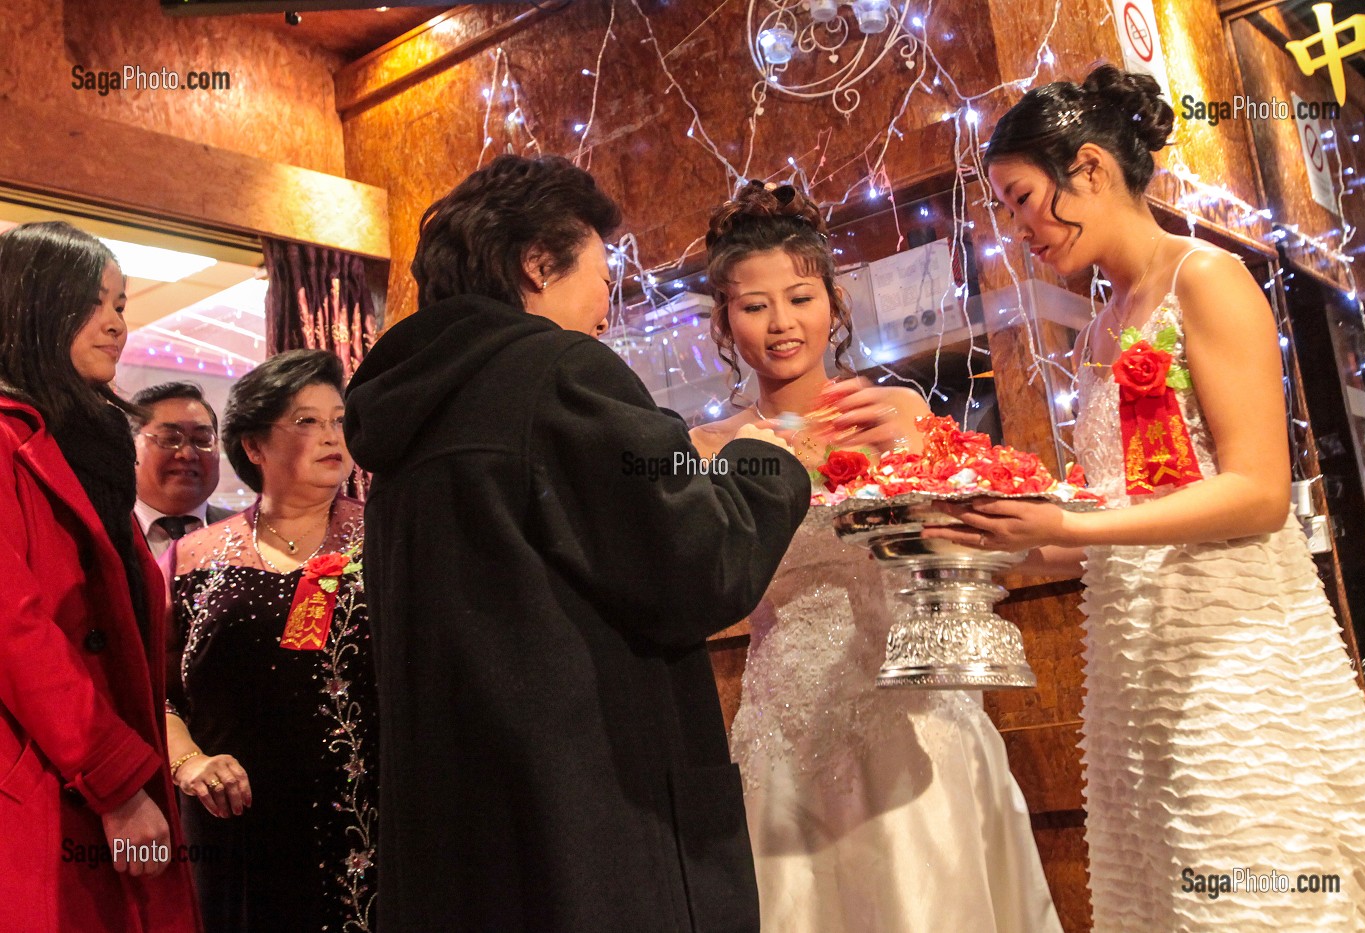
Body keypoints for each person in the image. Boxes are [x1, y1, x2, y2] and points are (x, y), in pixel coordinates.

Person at [923, 64, 1365, 928]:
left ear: (1093, 169)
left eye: (1024, 199)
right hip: (1137, 655)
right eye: (1006, 208)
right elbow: (1122, 512)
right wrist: (1005, 538)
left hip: (1231, 647)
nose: (1019, 228)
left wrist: (1067, 520)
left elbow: (1257, 493)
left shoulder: (1206, 279)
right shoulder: (1106, 324)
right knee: (1171, 887)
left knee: (1250, 869)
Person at [343, 153, 810, 933]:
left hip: (460, 850)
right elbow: (702, 558)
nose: (607, 304)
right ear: (536, 264)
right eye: (601, 273)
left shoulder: (406, 417)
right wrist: (769, 462)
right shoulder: (558, 374)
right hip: (592, 838)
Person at [690, 181, 1063, 932]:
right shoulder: (708, 448)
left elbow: (970, 536)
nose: (780, 323)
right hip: (788, 718)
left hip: (915, 699)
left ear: (833, 301)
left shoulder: (897, 410)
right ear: (726, 324)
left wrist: (907, 445)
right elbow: (712, 590)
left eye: (799, 297)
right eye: (753, 306)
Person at [0, 221, 199, 931]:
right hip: (50, 780)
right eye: (97, 302)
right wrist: (116, 778)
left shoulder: (87, 441)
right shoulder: (6, 438)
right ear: (36, 303)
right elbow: (14, 629)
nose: (118, 323)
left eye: (122, 304)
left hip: (96, 772)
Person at [163, 349, 375, 933]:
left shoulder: (387, 536)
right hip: (233, 823)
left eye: (338, 419)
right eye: (306, 421)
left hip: (367, 820)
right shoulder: (195, 555)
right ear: (254, 446)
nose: (332, 435)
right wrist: (189, 762)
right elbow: (156, 693)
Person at [131, 382, 234, 557]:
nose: (187, 454)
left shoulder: (249, 535)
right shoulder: (102, 534)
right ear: (130, 446)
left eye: (202, 440)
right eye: (170, 439)